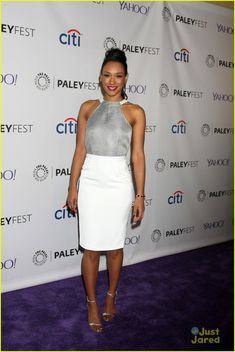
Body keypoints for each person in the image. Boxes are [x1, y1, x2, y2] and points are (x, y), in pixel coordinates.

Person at [67, 48, 146, 333]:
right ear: (100, 78)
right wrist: (72, 188)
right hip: (90, 182)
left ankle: (111, 296)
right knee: (90, 248)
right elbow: (79, 151)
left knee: (114, 248)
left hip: (118, 183)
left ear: (126, 79)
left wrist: (140, 194)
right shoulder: (88, 108)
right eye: (107, 75)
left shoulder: (135, 112)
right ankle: (91, 302)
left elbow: (137, 155)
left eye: (118, 76)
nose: (112, 81)